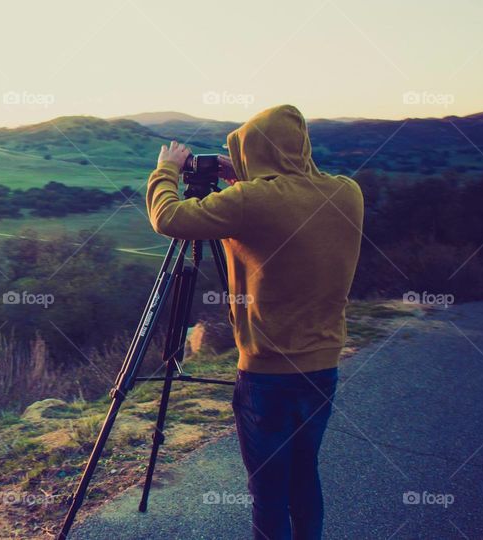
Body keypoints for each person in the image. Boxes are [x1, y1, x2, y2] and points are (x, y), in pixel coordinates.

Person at [145, 104, 364, 540]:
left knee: (267, 492)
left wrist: (166, 171)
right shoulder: (347, 192)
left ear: (251, 152)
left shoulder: (249, 202)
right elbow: (290, 205)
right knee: (304, 477)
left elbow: (166, 218)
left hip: (266, 374)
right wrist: (244, 176)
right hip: (322, 369)